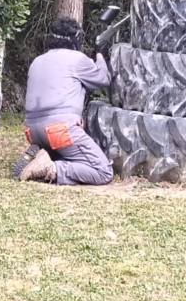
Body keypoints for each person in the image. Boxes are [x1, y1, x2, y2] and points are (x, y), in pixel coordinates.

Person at [11, 17, 114, 185]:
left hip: (33, 132)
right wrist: (100, 54)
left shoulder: (37, 61)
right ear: (77, 38)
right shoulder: (77, 59)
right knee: (102, 171)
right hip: (60, 130)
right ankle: (51, 168)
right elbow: (103, 78)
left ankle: (45, 154)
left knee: (67, 153)